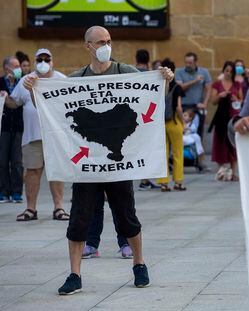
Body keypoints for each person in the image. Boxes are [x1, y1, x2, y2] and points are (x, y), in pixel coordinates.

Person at [22, 26, 174, 295]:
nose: (106, 45)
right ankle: (74, 274)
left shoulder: (125, 73)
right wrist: (35, 90)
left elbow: (151, 94)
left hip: (118, 165)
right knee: (79, 219)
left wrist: (165, 79)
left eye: (108, 41)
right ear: (88, 46)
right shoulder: (77, 78)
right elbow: (52, 111)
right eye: (100, 42)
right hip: (87, 167)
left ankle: (139, 265)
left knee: (126, 217)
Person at [3, 49, 68, 221]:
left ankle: (59, 207)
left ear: (53, 61)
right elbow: (14, 103)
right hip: (32, 136)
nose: (44, 62)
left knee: (56, 172)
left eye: (47, 59)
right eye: (40, 59)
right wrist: (4, 97)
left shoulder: (61, 80)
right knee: (32, 171)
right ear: (35, 61)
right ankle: (31, 209)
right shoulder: (26, 80)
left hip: (55, 136)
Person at [156, 58, 187, 192]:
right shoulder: (177, 86)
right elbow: (179, 108)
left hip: (161, 124)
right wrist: (184, 123)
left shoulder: (158, 85)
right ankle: (178, 182)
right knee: (178, 153)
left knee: (163, 154)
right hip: (174, 122)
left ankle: (163, 183)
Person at [210, 61, 243, 181]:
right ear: (223, 71)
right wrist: (220, 95)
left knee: (233, 143)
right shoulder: (217, 84)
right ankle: (222, 170)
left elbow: (241, 100)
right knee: (220, 142)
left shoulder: (237, 84)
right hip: (221, 116)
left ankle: (234, 172)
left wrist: (235, 98)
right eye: (226, 71)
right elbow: (213, 101)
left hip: (233, 116)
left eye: (231, 71)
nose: (228, 73)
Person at [135, 48, 161, 191]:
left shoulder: (130, 73)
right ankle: (144, 180)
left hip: (134, 115)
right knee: (145, 149)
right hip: (147, 116)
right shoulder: (151, 75)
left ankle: (144, 179)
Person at [0, 56, 23, 203]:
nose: (18, 69)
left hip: (19, 126)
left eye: (18, 66)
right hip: (4, 127)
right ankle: (3, 191)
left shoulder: (22, 82)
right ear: (6, 68)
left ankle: (16, 192)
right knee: (2, 160)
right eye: (14, 66)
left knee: (16, 161)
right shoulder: (0, 82)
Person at [175, 52, 212, 140]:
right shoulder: (179, 72)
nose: (188, 65)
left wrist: (205, 103)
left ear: (195, 62)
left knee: (198, 133)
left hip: (197, 107)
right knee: (183, 132)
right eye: (186, 62)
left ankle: (197, 152)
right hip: (183, 106)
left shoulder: (204, 72)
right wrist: (195, 81)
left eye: (190, 63)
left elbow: (209, 89)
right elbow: (180, 88)